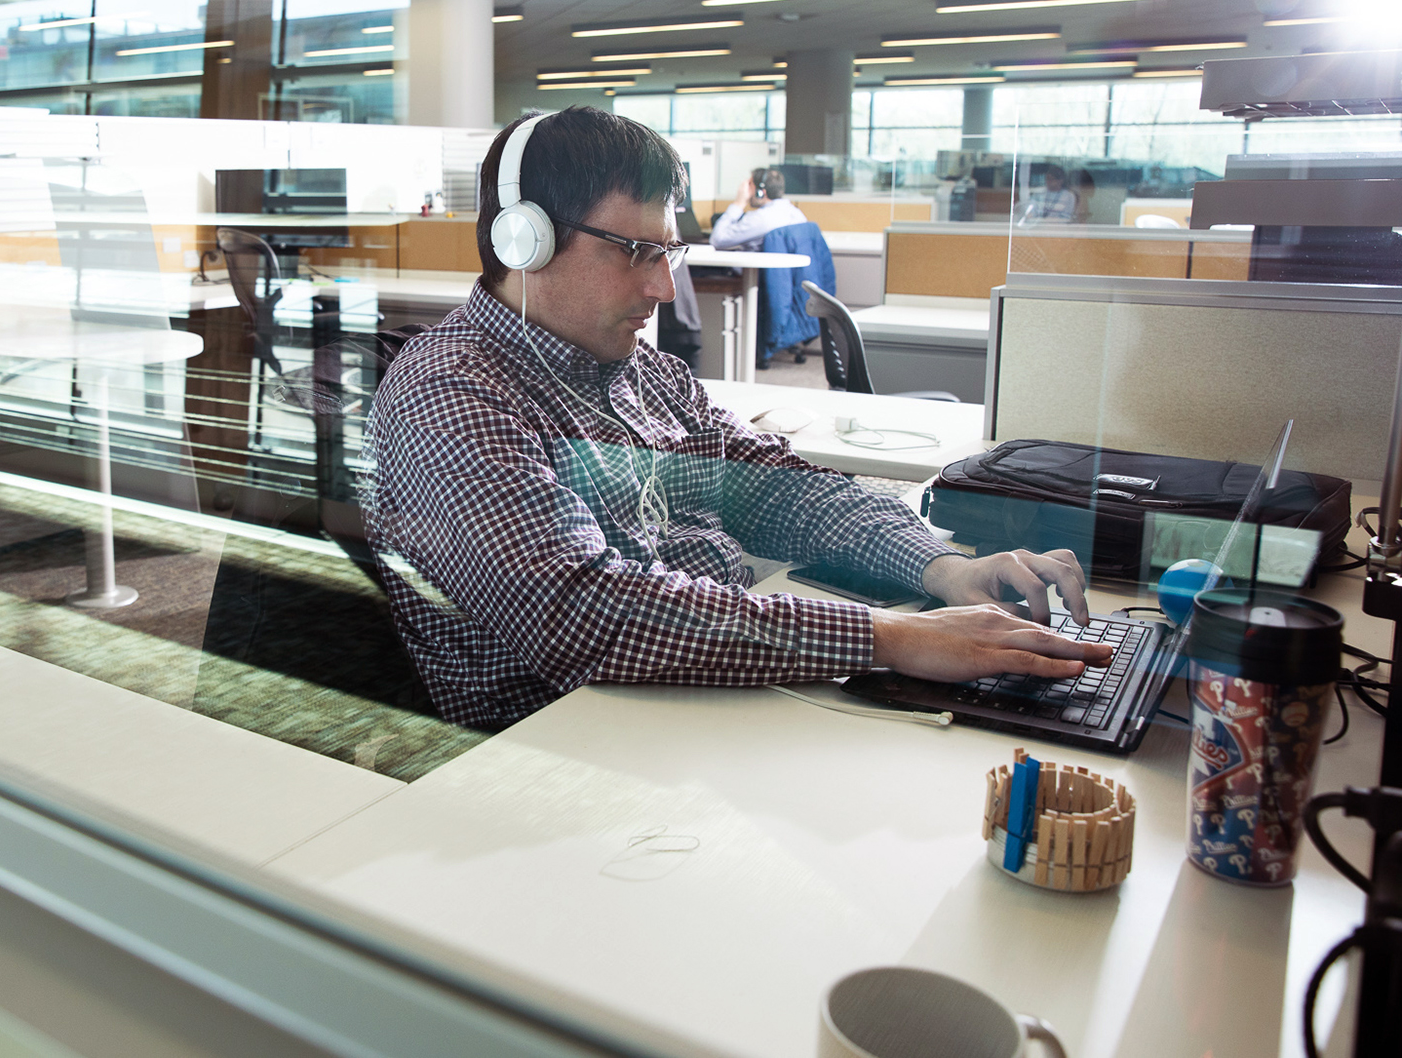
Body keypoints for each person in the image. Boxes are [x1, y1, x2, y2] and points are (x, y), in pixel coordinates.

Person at [363, 108, 1107, 731]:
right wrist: (890, 636)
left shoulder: (639, 372)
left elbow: (779, 489)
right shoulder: (451, 393)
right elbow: (579, 612)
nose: (663, 285)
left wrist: (938, 566)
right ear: (522, 239)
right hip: (564, 738)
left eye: (670, 251)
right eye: (636, 252)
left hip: (686, 694)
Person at [710, 165, 808, 250]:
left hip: (750, 270)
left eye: (750, 185)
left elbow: (717, 240)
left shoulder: (760, 218)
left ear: (760, 193)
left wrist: (738, 203)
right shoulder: (796, 214)